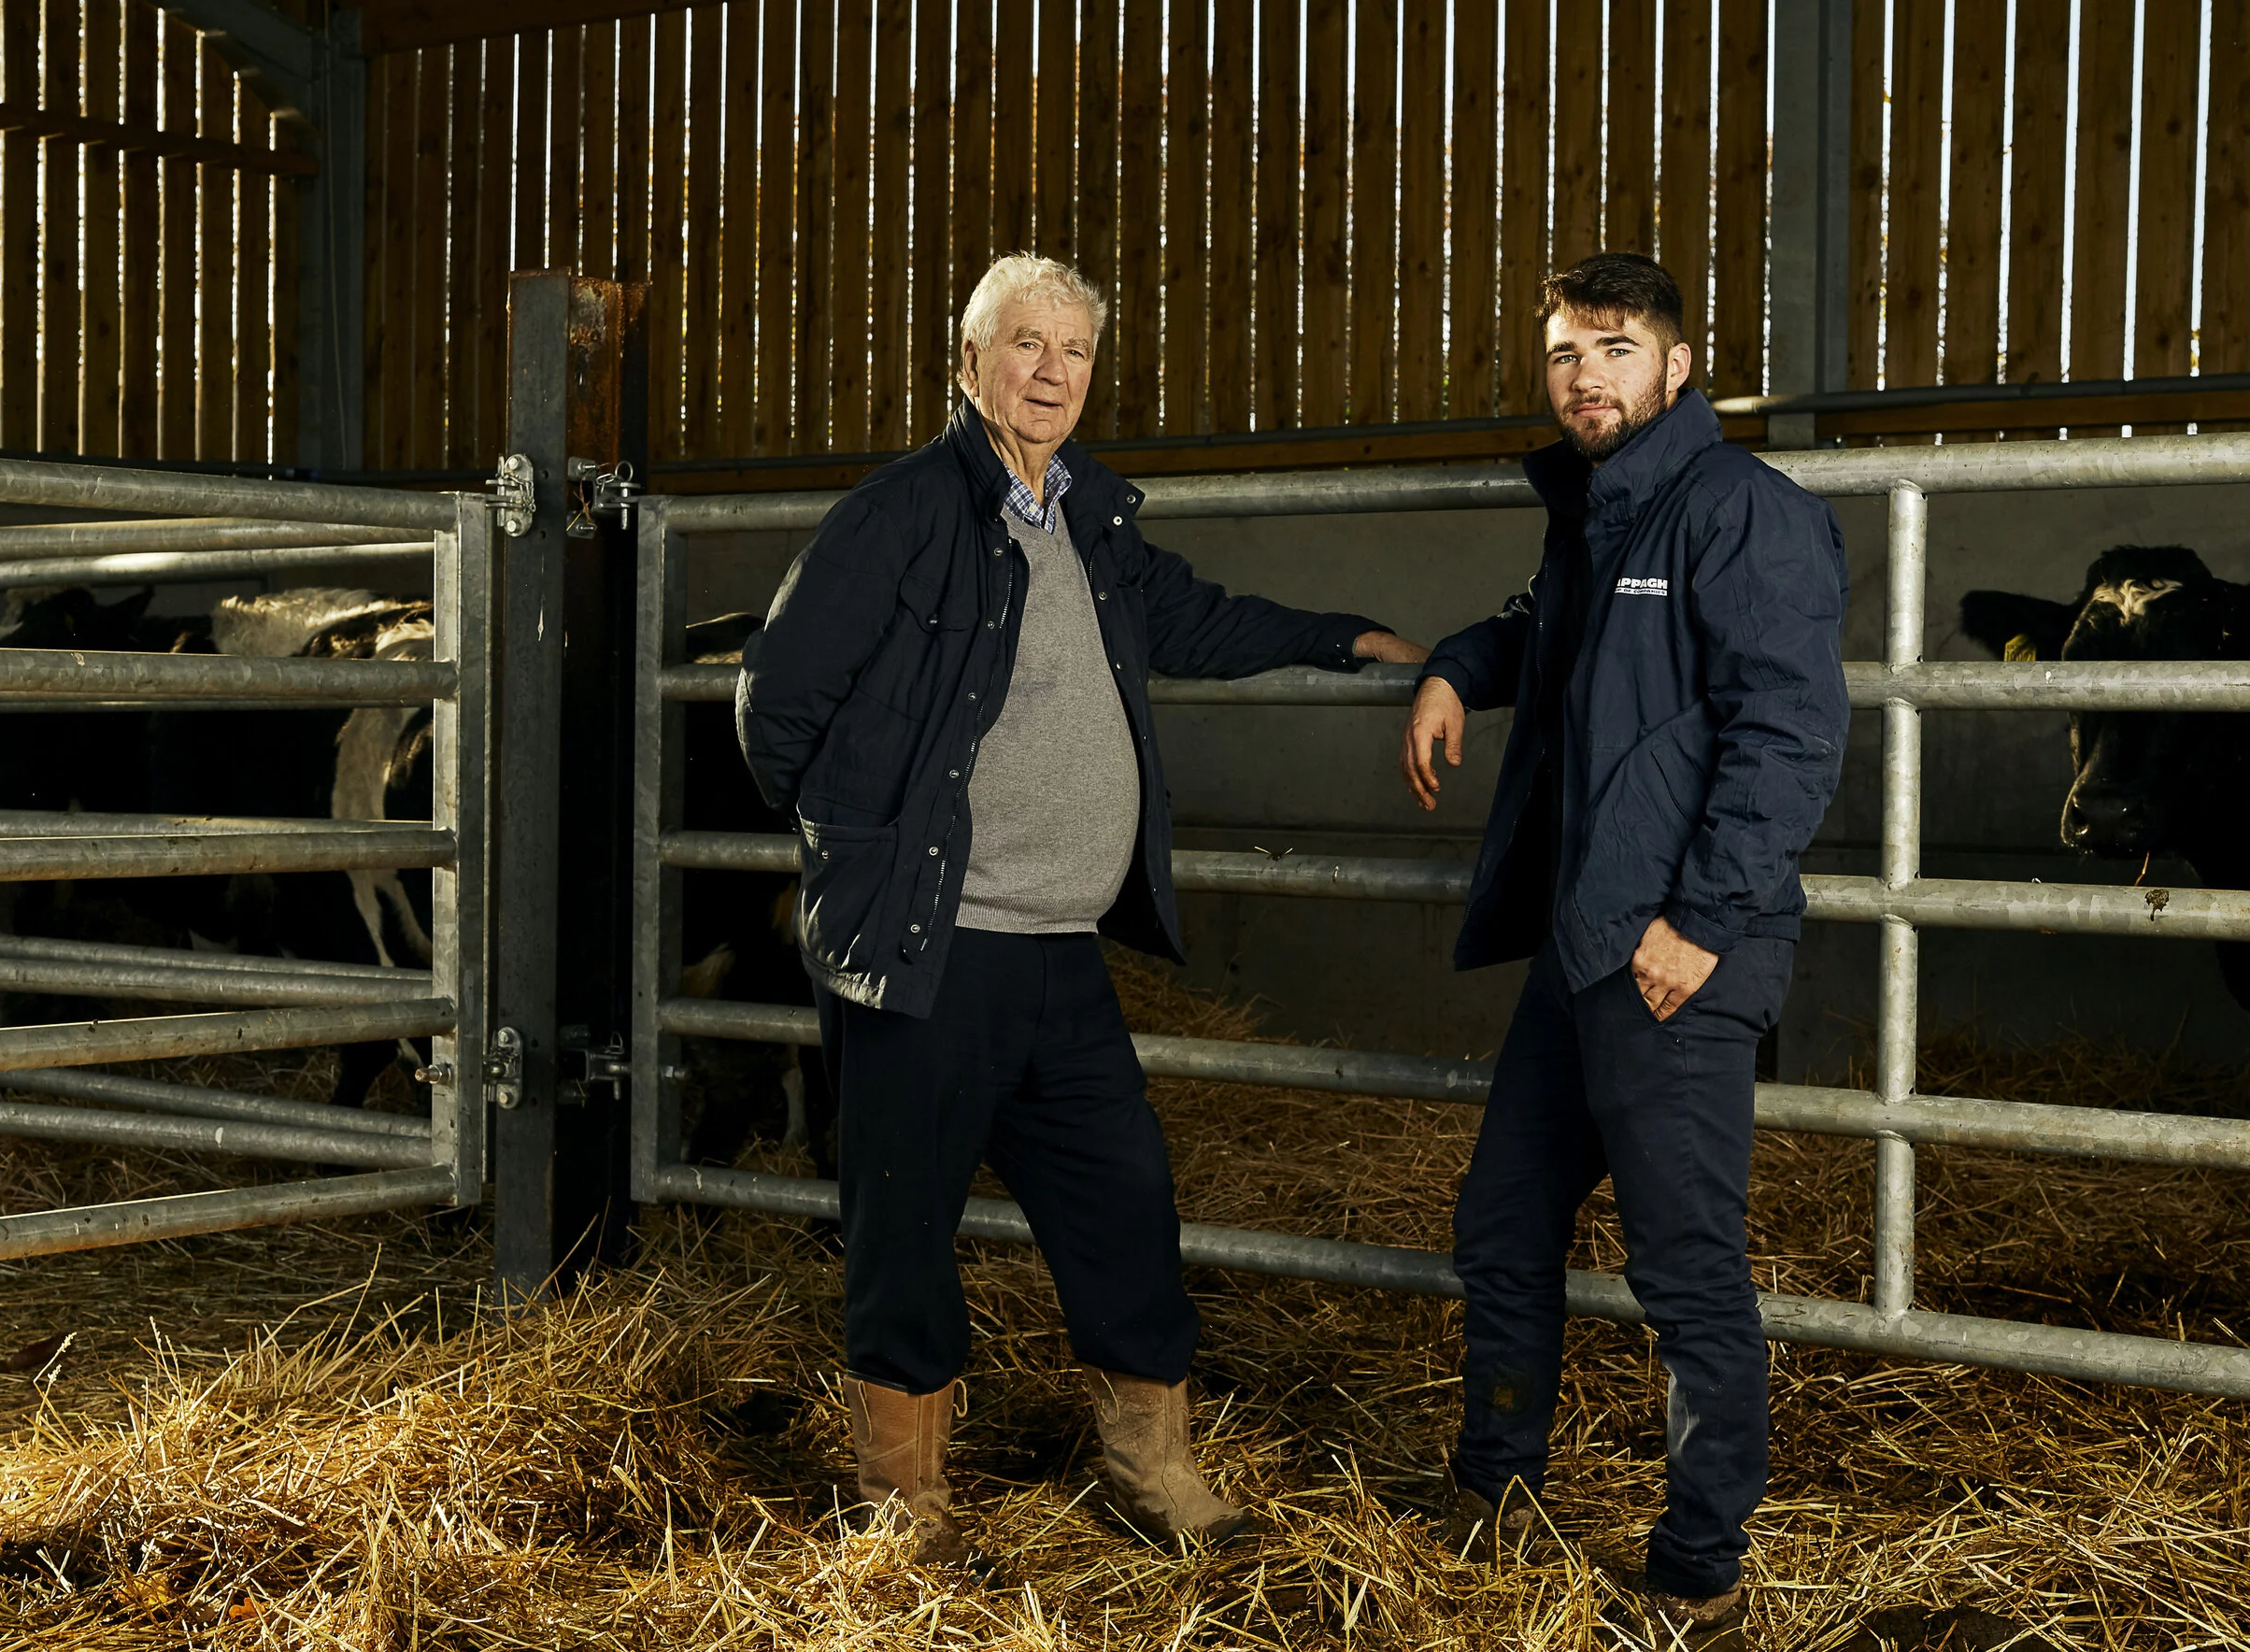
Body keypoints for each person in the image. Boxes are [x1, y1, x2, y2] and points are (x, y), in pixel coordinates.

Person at [738, 252, 1428, 1571]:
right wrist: (869, 848)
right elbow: (776, 710)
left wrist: (1347, 638)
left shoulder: (1093, 520)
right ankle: (904, 1501)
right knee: (903, 1224)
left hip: (1061, 955)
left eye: (1075, 351)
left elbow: (1201, 620)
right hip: (932, 951)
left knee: (1125, 1203)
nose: (1051, 372)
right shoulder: (899, 514)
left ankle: (1149, 1465)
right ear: (969, 362)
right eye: (1025, 344)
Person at [1400, 252, 1848, 1642]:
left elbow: (1790, 734)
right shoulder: (1600, 515)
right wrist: (1453, 667)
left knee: (1686, 1268)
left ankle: (1700, 1567)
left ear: (1676, 364)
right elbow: (1545, 633)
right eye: (1563, 353)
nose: (1583, 376)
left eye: (1613, 348)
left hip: (1677, 954)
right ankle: (1496, 1489)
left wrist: (1702, 923)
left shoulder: (1741, 511)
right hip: (1587, 942)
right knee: (1503, 1221)